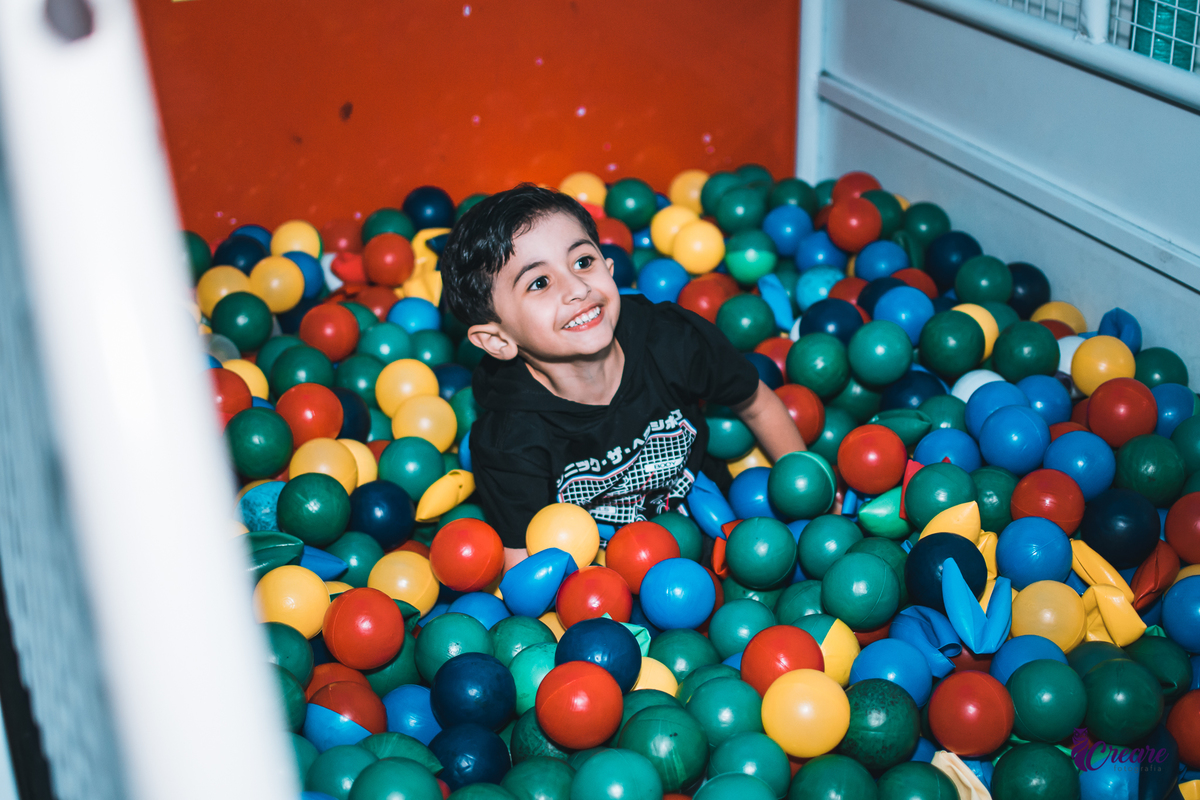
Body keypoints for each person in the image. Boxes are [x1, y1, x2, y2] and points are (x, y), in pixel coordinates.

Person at [440, 183, 808, 569]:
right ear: (497, 341)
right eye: (539, 283)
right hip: (598, 575)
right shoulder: (508, 442)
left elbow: (757, 402)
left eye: (583, 262)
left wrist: (809, 494)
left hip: (718, 519)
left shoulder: (673, 341)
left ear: (610, 269)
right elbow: (523, 561)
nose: (577, 288)